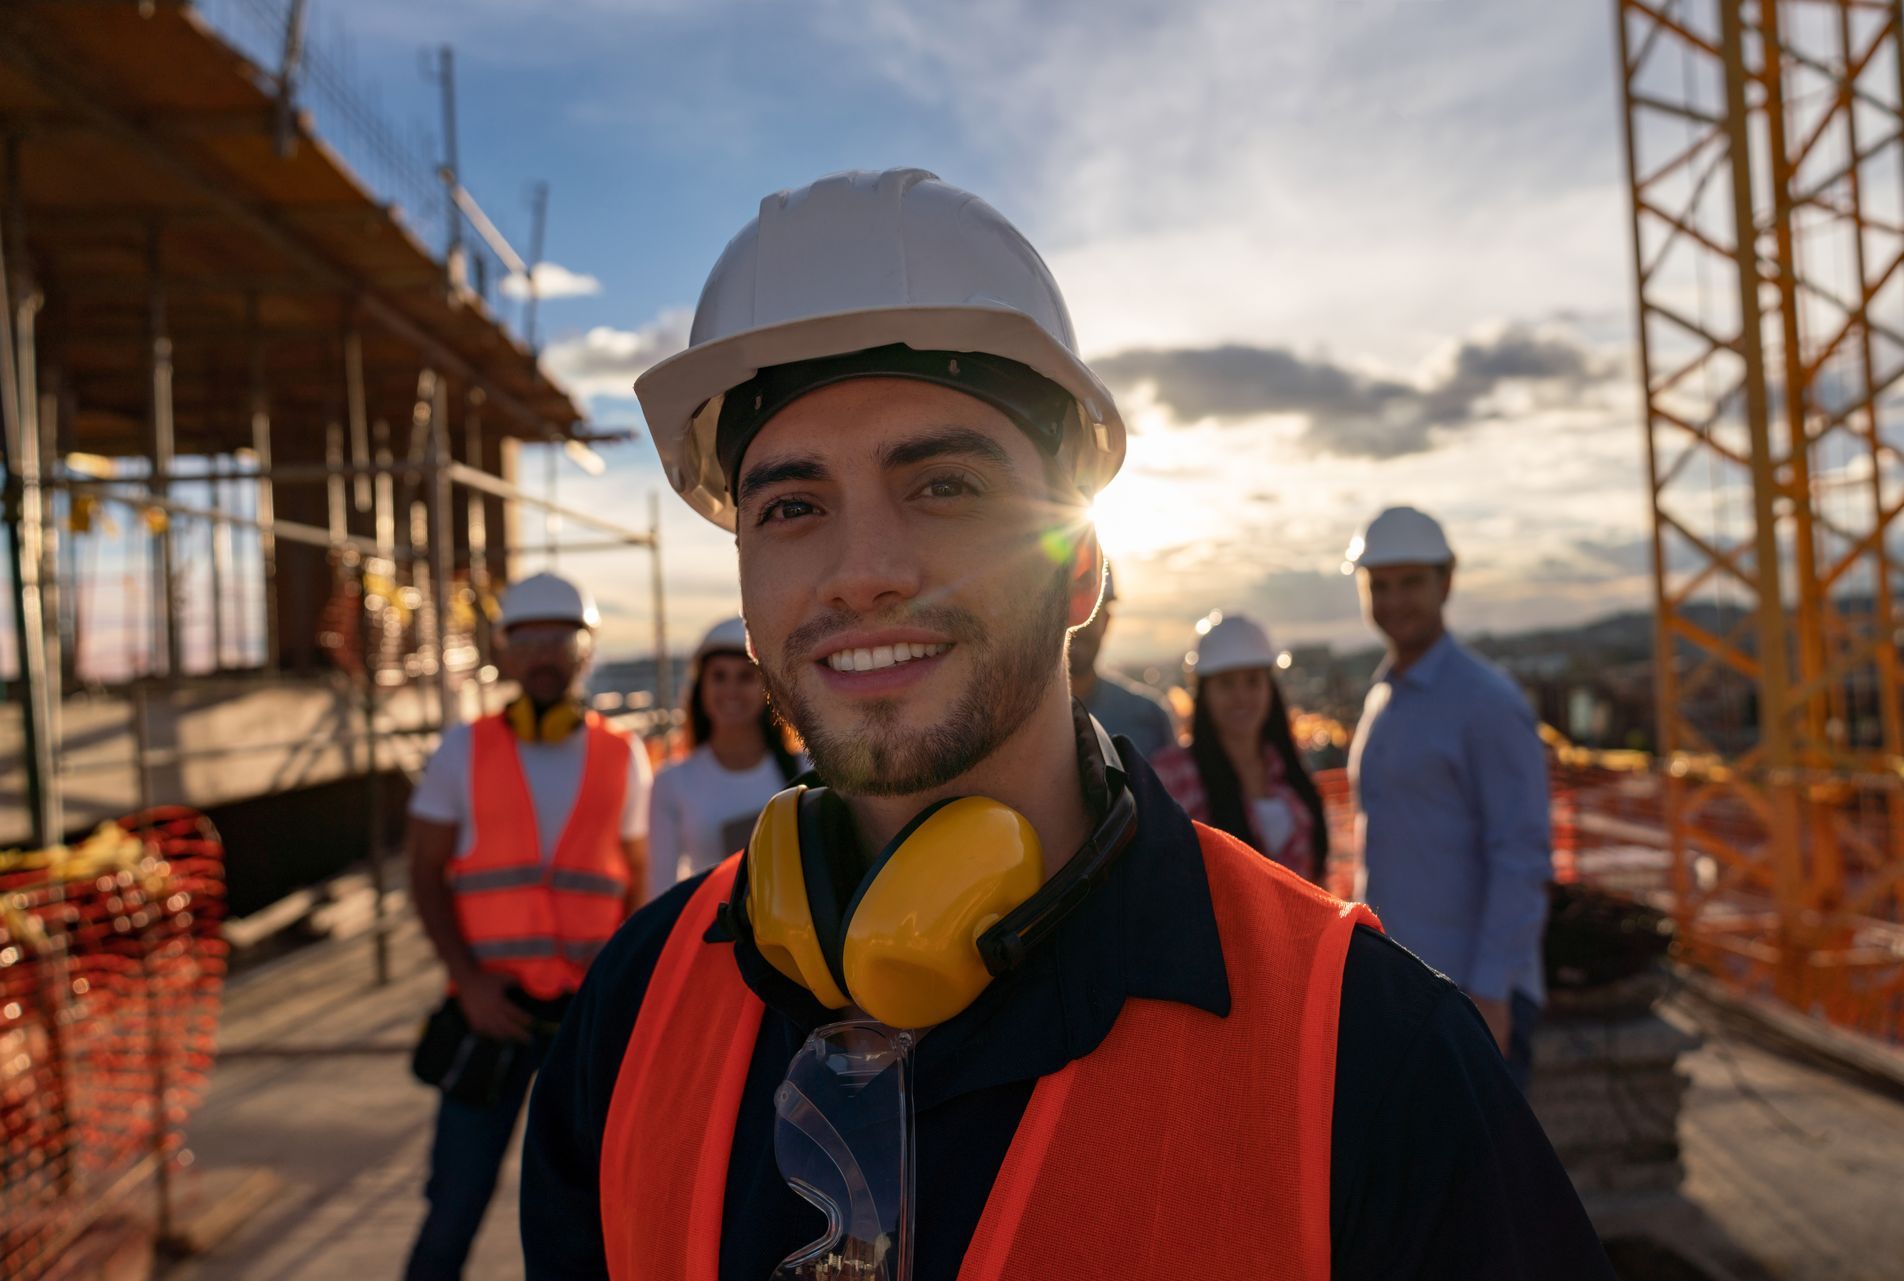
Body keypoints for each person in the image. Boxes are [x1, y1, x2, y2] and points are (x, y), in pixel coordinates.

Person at [521, 169, 1610, 1280]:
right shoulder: (632, 1022)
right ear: (748, 589)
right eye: (792, 508)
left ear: (1081, 563)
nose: (863, 574)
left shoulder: (1366, 1057)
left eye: (944, 487)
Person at [402, 571, 652, 1281]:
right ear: (506, 652)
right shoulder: (461, 750)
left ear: (585, 650)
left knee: (593, 1212)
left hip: (586, 1020)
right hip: (492, 1013)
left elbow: (638, 885)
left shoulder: (623, 755)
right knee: (453, 1206)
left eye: (559, 639)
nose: (543, 653)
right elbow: (423, 872)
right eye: (528, 638)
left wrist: (620, 995)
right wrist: (469, 982)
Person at [1345, 505, 1554, 1092]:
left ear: (1447, 581)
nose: (1394, 601)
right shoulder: (1384, 699)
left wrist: (1490, 994)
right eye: (1379, 586)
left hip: (1468, 996)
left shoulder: (1485, 702)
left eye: (1411, 582)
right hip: (1407, 989)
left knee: (1483, 1183)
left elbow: (1521, 855)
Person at [1152, 614, 1327, 884]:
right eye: (1226, 683)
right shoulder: (1171, 776)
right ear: (1204, 693)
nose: (1241, 696)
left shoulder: (1286, 765)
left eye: (1253, 681)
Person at [644, 616, 804, 901]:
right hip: (714, 939)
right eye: (719, 676)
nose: (731, 690)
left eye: (745, 677)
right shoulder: (672, 783)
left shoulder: (806, 771)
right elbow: (661, 893)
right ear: (700, 688)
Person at [1067, 567, 1176, 757]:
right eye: (1066, 611)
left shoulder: (1150, 719)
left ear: (1107, 621)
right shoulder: (1008, 721)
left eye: (1089, 613)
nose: (1079, 627)